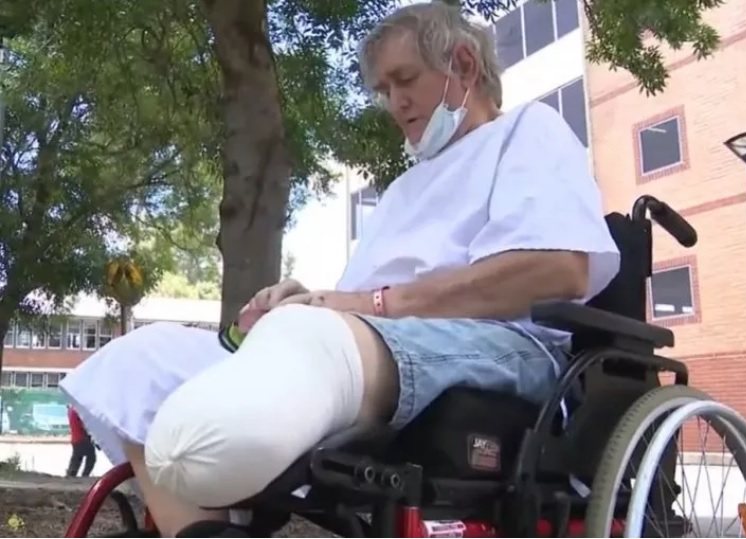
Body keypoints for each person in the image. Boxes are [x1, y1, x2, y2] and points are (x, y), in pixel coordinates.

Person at [59, 2, 620, 536]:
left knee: (309, 341)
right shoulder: (402, 189)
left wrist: (365, 308)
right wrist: (305, 299)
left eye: (405, 80)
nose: (394, 102)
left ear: (465, 65)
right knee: (138, 361)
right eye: (383, 90)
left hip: (497, 346)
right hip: (369, 344)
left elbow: (558, 269)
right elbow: (359, 304)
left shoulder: (527, 132)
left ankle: (259, 408)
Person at [66, 405, 97, 477]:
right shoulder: (78, 411)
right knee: (91, 457)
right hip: (82, 438)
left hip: (75, 438)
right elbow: (84, 425)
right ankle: (85, 475)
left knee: (77, 458)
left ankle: (71, 474)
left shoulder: (71, 410)